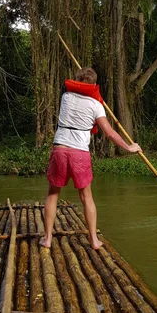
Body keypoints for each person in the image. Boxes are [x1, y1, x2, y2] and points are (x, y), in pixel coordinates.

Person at [40, 67, 141, 250]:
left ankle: (47, 239)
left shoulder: (66, 97)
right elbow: (109, 133)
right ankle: (94, 240)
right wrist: (128, 147)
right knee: (87, 197)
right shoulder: (96, 105)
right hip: (79, 153)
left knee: (53, 194)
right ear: (94, 85)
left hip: (60, 150)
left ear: (77, 81)